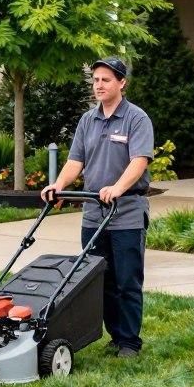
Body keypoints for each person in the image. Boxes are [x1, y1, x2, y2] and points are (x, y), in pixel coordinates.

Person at [41, 56, 153, 358]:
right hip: (93, 213)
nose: (99, 85)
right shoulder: (87, 120)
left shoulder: (136, 119)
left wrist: (117, 188)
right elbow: (75, 161)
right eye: (95, 80)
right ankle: (114, 335)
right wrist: (58, 186)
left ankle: (129, 341)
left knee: (127, 279)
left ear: (121, 82)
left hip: (126, 212)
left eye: (105, 79)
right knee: (99, 277)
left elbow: (138, 160)